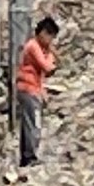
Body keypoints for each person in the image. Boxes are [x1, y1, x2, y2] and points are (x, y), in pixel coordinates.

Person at [10, 14, 59, 166]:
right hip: (28, 88)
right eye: (50, 36)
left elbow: (41, 75)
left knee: (28, 123)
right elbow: (46, 66)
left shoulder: (37, 47)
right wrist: (51, 56)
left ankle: (26, 156)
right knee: (33, 123)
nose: (50, 41)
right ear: (43, 32)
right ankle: (30, 156)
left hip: (32, 88)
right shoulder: (33, 46)